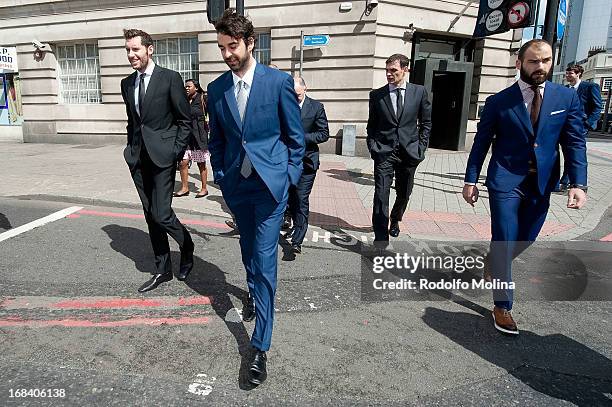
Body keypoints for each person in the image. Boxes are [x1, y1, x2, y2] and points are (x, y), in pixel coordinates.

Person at [463, 39, 588, 336]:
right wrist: (470, 179)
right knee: (505, 238)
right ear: (520, 63)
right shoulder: (498, 102)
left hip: (542, 183)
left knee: (527, 237)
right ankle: (502, 306)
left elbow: (574, 142)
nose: (540, 67)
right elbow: (481, 144)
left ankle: (494, 261)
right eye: (533, 61)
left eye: (545, 61)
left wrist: (578, 183)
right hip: (505, 180)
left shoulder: (565, 99)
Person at [206, 9, 304, 385]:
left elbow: (296, 140)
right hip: (237, 187)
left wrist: (287, 178)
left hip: (270, 189)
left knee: (264, 262)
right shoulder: (216, 89)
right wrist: (222, 179)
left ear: (250, 43)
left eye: (233, 46)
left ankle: (259, 346)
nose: (227, 53)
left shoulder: (277, 82)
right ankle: (251, 294)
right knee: (247, 251)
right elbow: (218, 142)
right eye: (222, 48)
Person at [120, 29, 194, 293]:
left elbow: (185, 120)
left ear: (149, 49)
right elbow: (133, 122)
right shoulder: (126, 83)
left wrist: (175, 152)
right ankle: (163, 269)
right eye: (128, 50)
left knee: (162, 214)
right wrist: (130, 150)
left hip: (163, 157)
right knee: (150, 216)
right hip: (138, 159)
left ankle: (187, 246)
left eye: (135, 49)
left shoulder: (170, 78)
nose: (131, 55)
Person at [366, 53, 432, 245]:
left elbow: (426, 123)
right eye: (386, 70)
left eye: (393, 70)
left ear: (405, 69)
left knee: (404, 192)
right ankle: (380, 238)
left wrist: (421, 148)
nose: (388, 74)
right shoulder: (377, 95)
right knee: (380, 194)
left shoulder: (419, 92)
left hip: (409, 152)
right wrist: (373, 146)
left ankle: (395, 218)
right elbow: (372, 125)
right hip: (384, 152)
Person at [285, 76, 329, 253]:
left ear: (305, 89)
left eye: (297, 95)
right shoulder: (284, 106)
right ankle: (293, 223)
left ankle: (297, 240)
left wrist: (302, 138)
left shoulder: (316, 107)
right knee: (291, 198)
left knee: (301, 198)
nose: (295, 99)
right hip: (287, 162)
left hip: (307, 162)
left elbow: (324, 134)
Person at [556, 64, 603, 192]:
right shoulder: (564, 89)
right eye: (567, 73)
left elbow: (598, 107)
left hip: (579, 127)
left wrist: (587, 124)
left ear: (578, 74)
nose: (567, 76)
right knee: (566, 154)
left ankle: (572, 183)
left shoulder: (590, 87)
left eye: (570, 73)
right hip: (564, 127)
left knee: (575, 154)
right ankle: (565, 182)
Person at [174, 80, 210, 198]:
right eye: (185, 87)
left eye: (189, 86)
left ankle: (204, 188)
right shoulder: (184, 100)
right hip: (185, 136)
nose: (187, 88)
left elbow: (213, 115)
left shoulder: (203, 99)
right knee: (183, 162)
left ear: (196, 87)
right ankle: (185, 188)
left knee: (201, 163)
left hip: (199, 137)